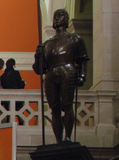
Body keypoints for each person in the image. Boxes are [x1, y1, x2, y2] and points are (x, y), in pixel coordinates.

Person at [32, 8, 89, 143]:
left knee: (67, 105)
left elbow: (83, 59)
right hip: (51, 74)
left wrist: (82, 76)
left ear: (66, 19)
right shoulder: (46, 44)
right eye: (55, 16)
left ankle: (67, 137)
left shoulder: (74, 39)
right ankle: (58, 140)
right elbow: (39, 70)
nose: (57, 18)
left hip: (67, 71)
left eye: (60, 15)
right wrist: (38, 57)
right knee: (55, 109)